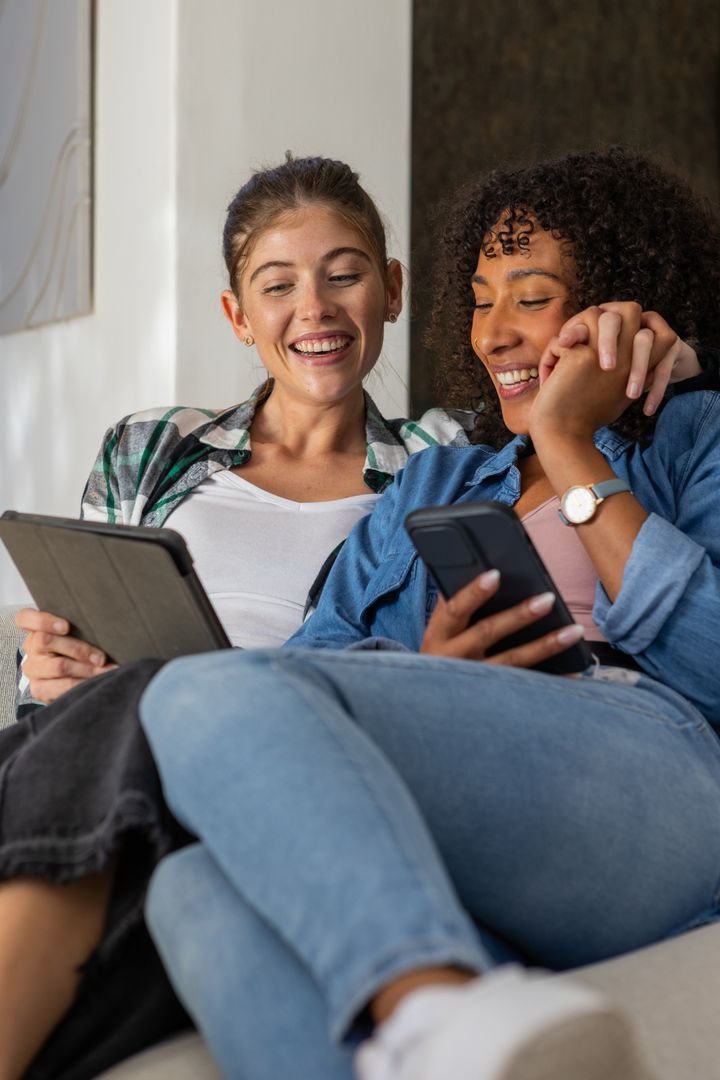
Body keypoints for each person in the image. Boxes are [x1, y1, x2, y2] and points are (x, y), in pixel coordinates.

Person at [139, 148, 720, 1080]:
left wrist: (569, 443)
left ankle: (430, 1009)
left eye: (532, 298)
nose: (495, 335)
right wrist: (431, 669)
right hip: (473, 798)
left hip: (655, 776)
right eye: (482, 302)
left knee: (198, 693)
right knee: (192, 886)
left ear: (617, 303)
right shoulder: (436, 479)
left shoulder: (697, 434)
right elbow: (311, 661)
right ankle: (456, 1023)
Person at [0, 155, 474, 1080]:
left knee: (163, 712)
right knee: (130, 706)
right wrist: (46, 671)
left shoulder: (442, 460)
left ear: (392, 289)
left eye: (344, 274)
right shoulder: (152, 449)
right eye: (278, 285)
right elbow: (49, 670)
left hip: (271, 774)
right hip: (99, 754)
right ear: (237, 315)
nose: (315, 309)